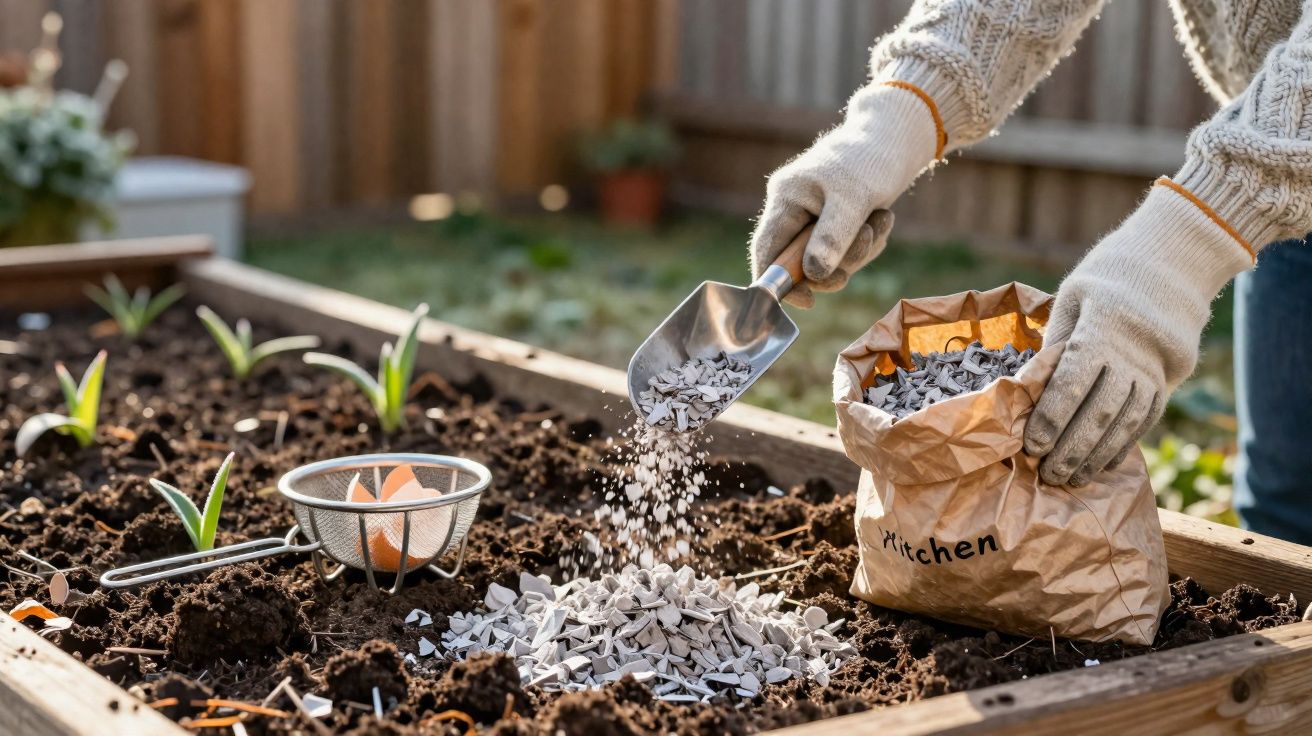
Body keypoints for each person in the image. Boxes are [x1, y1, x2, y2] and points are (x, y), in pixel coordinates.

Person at [749, 1, 1312, 544]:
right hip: (1291, 195)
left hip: (1271, 184)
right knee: (1285, 500)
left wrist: (1187, 242)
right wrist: (890, 123)